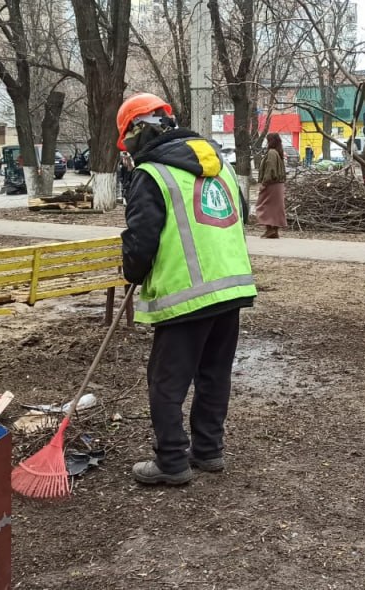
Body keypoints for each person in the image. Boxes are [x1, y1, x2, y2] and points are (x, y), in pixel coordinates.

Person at [118, 92, 256, 485]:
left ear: (141, 132)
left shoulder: (152, 174)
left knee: (167, 381)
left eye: (129, 142)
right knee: (214, 373)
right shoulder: (220, 165)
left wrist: (132, 270)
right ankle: (209, 451)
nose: (129, 152)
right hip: (230, 288)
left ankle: (172, 463)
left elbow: (141, 238)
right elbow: (240, 215)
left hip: (186, 295)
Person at [256, 133, 288, 239]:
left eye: (268, 140)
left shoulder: (271, 153)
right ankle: (274, 231)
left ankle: (270, 230)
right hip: (278, 185)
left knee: (265, 206)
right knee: (275, 208)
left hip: (271, 184)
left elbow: (270, 169)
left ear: (271, 141)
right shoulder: (278, 152)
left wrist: (264, 183)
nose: (266, 142)